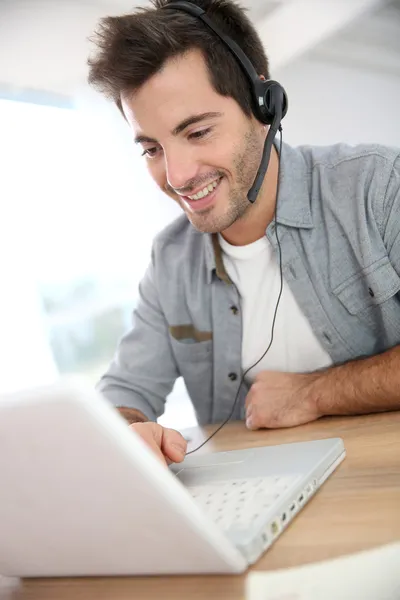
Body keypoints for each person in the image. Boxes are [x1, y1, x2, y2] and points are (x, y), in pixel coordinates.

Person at [87, 0, 400, 466]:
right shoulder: (171, 260)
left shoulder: (377, 187)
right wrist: (129, 429)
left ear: (264, 107)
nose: (176, 175)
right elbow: (124, 391)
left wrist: (316, 393)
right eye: (152, 149)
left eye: (196, 133)